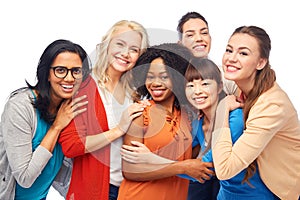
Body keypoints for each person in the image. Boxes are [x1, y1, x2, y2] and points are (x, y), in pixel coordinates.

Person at [58, 20, 149, 200]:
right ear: (107, 45)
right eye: (120, 44)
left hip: (129, 190)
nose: (125, 53)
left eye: (134, 49)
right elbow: (71, 146)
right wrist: (118, 130)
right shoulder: (84, 86)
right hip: (97, 190)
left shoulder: (136, 91)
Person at [212, 25, 300, 199]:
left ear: (261, 62)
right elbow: (204, 75)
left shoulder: (272, 105)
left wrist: (220, 111)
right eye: (229, 50)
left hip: (273, 190)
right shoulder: (241, 83)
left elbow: (224, 169)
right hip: (245, 182)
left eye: (243, 53)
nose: (231, 58)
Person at [118, 43, 215, 200]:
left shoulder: (187, 116)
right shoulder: (140, 113)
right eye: (150, 77)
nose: (155, 83)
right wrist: (182, 168)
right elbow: (130, 170)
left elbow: (197, 154)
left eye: (164, 77)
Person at [0, 39, 90, 200]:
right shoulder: (20, 107)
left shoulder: (70, 109)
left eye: (76, 71)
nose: (69, 78)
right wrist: (56, 127)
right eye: (61, 70)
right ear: (46, 73)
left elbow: (66, 172)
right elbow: (25, 178)